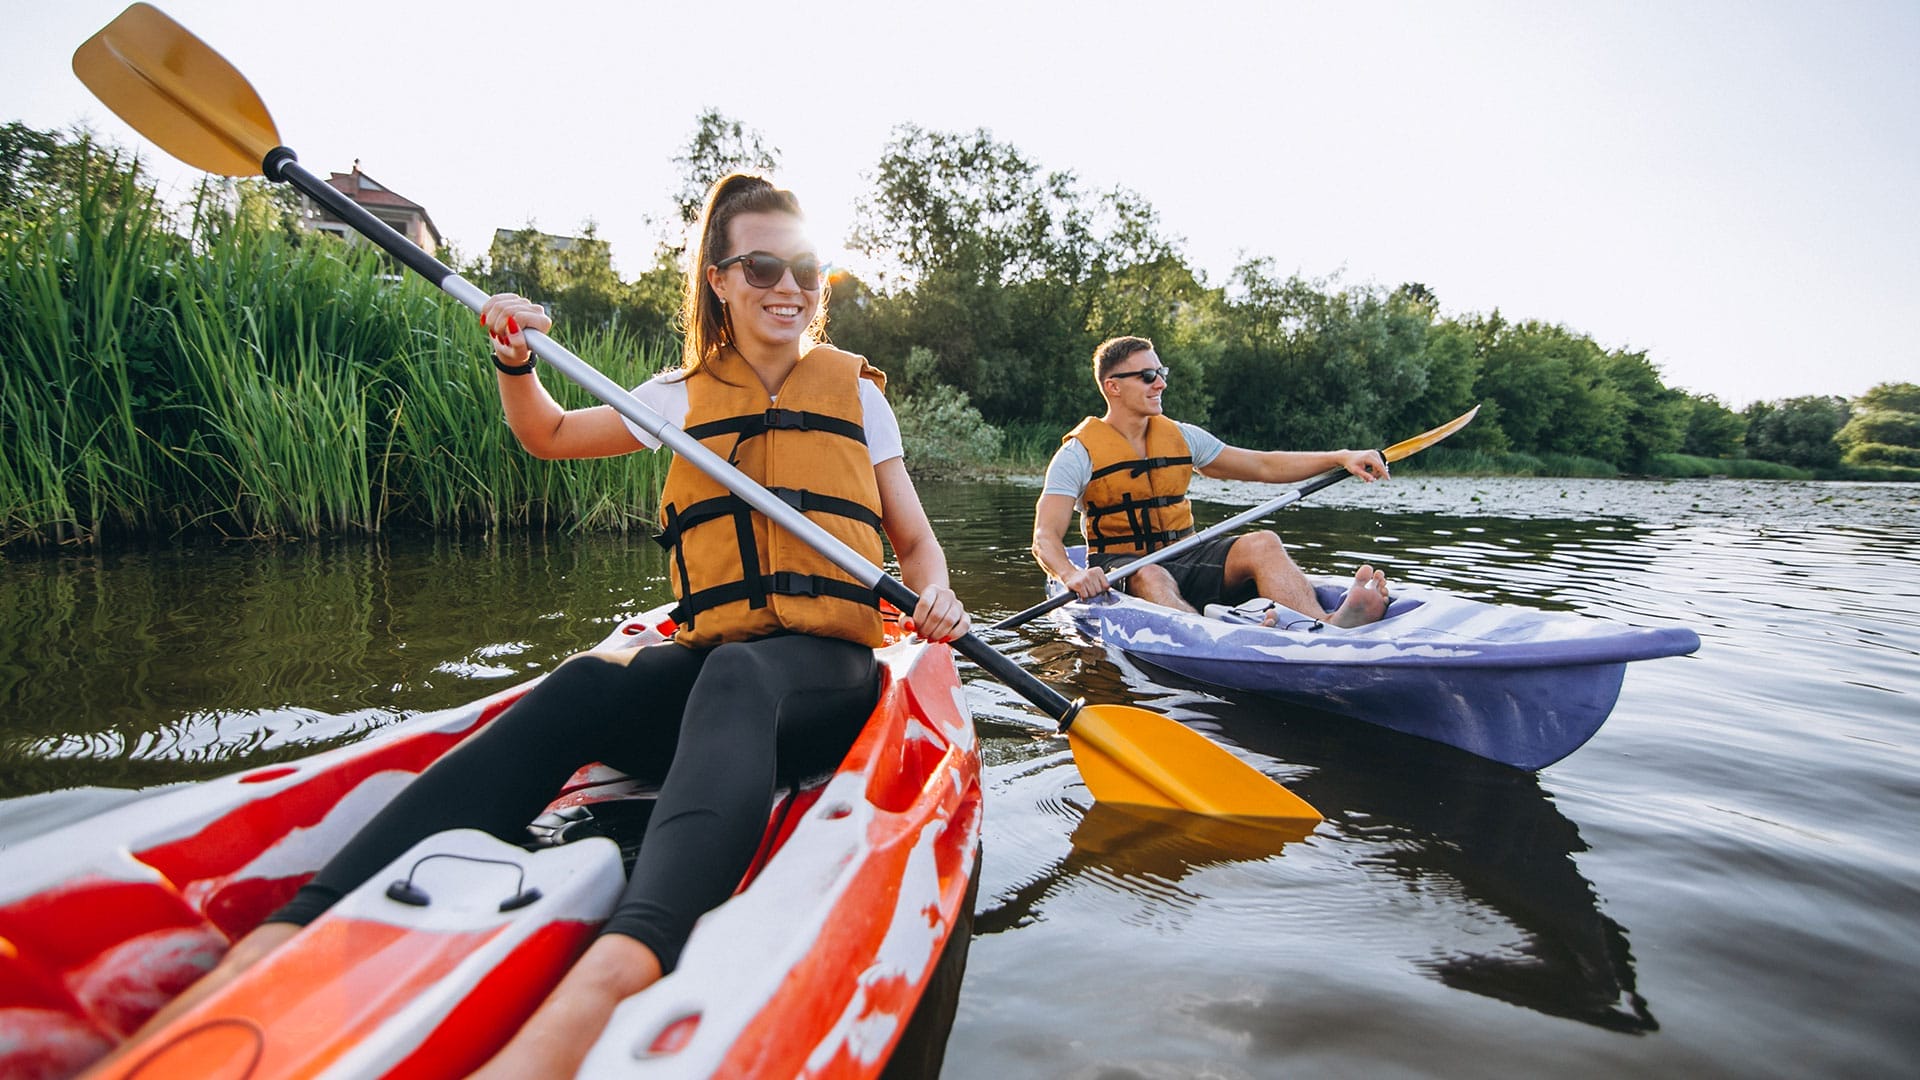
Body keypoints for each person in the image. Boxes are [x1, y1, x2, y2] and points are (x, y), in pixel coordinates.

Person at [95, 173, 970, 1079]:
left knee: (740, 678)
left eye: (804, 267)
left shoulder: (858, 395)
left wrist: (937, 596)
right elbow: (547, 434)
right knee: (599, 681)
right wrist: (515, 362)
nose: (787, 286)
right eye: (761, 266)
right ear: (718, 278)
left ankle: (616, 972)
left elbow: (913, 543)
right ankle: (294, 926)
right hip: (721, 676)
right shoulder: (672, 398)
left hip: (824, 682)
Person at [1031, 335, 1392, 628]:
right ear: (1113, 387)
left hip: (1187, 556)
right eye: (1147, 376)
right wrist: (1069, 574)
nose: (1161, 383)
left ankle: (1325, 625)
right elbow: (1045, 536)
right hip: (1125, 567)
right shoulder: (1078, 454)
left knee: (1263, 542)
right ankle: (1222, 636)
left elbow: (1263, 466)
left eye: (1161, 371)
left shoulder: (1183, 437)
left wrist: (1340, 457)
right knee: (1151, 574)